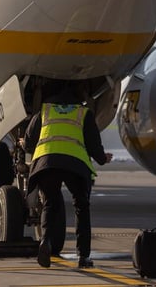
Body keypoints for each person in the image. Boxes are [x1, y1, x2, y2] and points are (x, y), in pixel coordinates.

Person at [24, 88, 112, 269]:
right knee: (81, 207)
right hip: (75, 164)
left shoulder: (44, 112)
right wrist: (103, 159)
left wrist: (22, 143)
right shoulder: (84, 113)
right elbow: (94, 145)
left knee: (50, 203)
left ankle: (45, 242)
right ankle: (83, 256)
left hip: (47, 164)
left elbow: (29, 143)